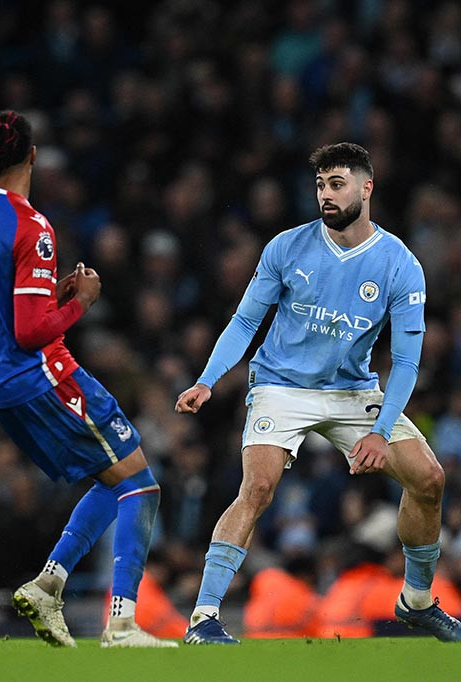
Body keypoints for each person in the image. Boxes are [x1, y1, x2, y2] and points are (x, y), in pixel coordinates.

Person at [175, 142, 461, 644]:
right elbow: (246, 321)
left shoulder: (400, 264)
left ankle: (416, 602)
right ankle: (204, 617)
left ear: (366, 188)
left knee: (429, 480)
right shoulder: (286, 247)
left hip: (352, 391)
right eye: (320, 186)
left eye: (337, 184)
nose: (325, 195)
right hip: (281, 386)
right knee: (258, 487)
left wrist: (376, 430)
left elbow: (410, 360)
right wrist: (207, 378)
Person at [0, 110, 175, 648]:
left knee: (112, 478)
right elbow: (31, 332)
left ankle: (50, 585)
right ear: (31, 156)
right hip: (45, 375)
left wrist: (51, 296)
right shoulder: (33, 227)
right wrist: (82, 304)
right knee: (142, 482)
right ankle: (121, 624)